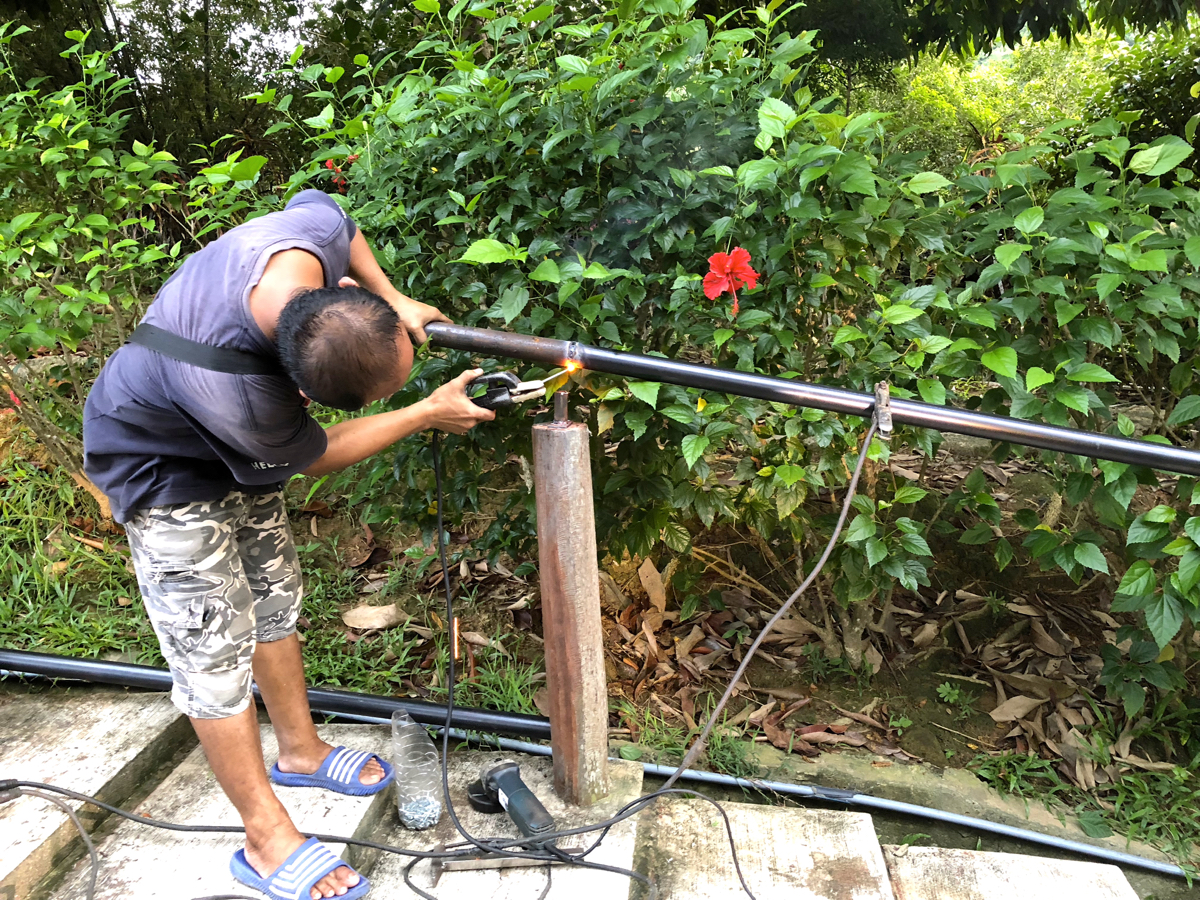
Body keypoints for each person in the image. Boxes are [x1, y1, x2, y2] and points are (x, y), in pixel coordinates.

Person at [82, 189, 495, 900]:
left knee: (274, 601)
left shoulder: (301, 242)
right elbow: (320, 454)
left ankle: (300, 752)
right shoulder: (245, 397)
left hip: (232, 445)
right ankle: (265, 835)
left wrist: (396, 298)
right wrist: (425, 412)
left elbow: (340, 216)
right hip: (162, 464)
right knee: (212, 650)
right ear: (299, 390)